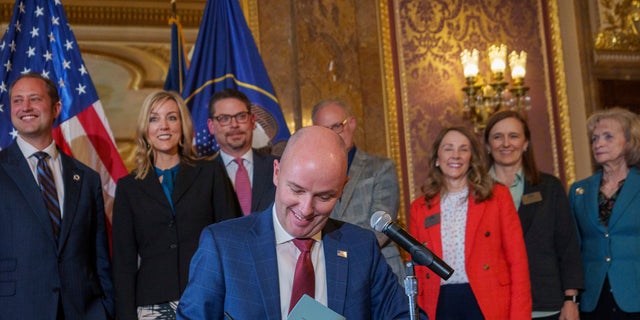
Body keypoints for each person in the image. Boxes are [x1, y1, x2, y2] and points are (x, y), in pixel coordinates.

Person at [176, 126, 426, 320]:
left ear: (342, 188)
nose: (306, 210)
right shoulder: (223, 246)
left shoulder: (360, 247)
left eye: (324, 196)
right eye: (296, 190)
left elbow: (406, 316)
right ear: (276, 172)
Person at [112, 90, 242, 319]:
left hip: (207, 298)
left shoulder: (210, 173)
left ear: (182, 125)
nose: (164, 126)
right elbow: (124, 263)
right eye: (154, 118)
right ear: (145, 128)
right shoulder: (128, 187)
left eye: (171, 117)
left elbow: (231, 242)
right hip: (152, 303)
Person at [0, 72, 114, 319]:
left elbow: (99, 258)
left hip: (83, 310)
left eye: (34, 99)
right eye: (17, 101)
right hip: (15, 309)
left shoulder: (86, 179)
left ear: (56, 108)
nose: (25, 107)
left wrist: (106, 310)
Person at [409, 126, 532, 320]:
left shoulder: (497, 197)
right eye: (448, 148)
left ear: (471, 159)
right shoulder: (419, 208)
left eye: (463, 149)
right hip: (439, 304)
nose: (456, 155)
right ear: (437, 159)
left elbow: (518, 263)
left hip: (487, 301)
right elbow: (416, 270)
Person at [485, 111, 583, 320]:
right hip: (493, 304)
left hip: (545, 302)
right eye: (497, 137)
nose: (506, 143)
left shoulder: (549, 187)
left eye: (513, 136)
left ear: (526, 143)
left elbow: (567, 247)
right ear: (487, 145)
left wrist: (571, 299)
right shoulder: (475, 193)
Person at [311, 99, 405, 280]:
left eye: (337, 126)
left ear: (351, 123)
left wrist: (341, 254)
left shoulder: (381, 168)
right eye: (325, 130)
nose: (333, 135)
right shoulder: (314, 176)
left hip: (380, 268)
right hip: (331, 273)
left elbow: (382, 227)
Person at [569, 107, 640, 319]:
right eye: (594, 138)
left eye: (608, 137)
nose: (598, 144)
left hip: (634, 295)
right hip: (593, 298)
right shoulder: (579, 191)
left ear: (630, 141)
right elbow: (572, 248)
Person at [207, 88, 278, 215]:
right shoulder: (202, 175)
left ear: (252, 121)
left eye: (241, 116)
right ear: (211, 126)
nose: (234, 124)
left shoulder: (278, 166)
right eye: (224, 118)